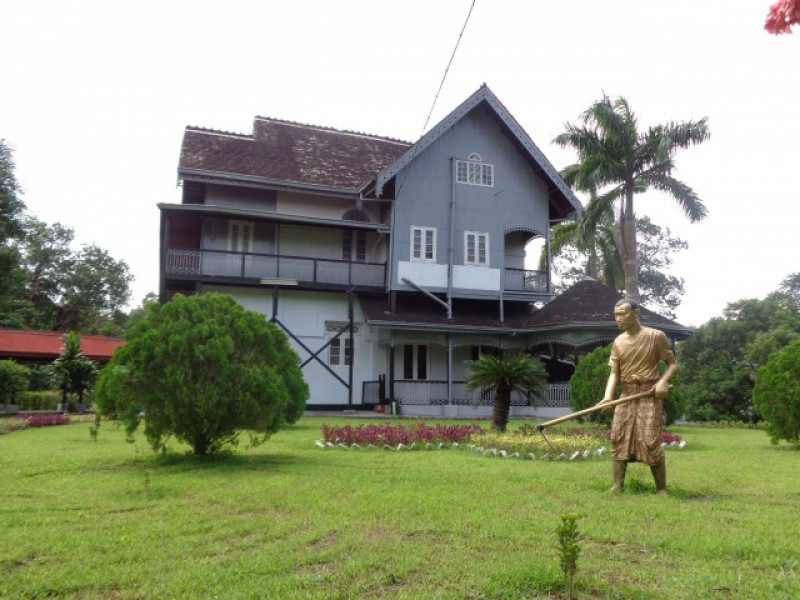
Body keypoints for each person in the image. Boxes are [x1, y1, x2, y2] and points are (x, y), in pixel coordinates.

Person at [597, 299, 678, 495]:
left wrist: (662, 382)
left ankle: (661, 489)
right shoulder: (618, 341)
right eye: (616, 315)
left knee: (650, 439)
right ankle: (618, 485)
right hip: (627, 394)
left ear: (636, 313)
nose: (618, 319)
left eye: (623, 314)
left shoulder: (655, 336)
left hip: (649, 394)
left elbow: (672, 364)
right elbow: (614, 373)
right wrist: (608, 397)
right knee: (618, 436)